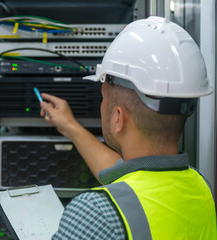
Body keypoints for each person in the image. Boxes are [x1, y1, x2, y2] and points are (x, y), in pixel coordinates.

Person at [39, 16, 217, 240]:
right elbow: (131, 180)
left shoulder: (95, 214)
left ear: (118, 118)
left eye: (103, 99)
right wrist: (70, 127)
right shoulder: (201, 188)